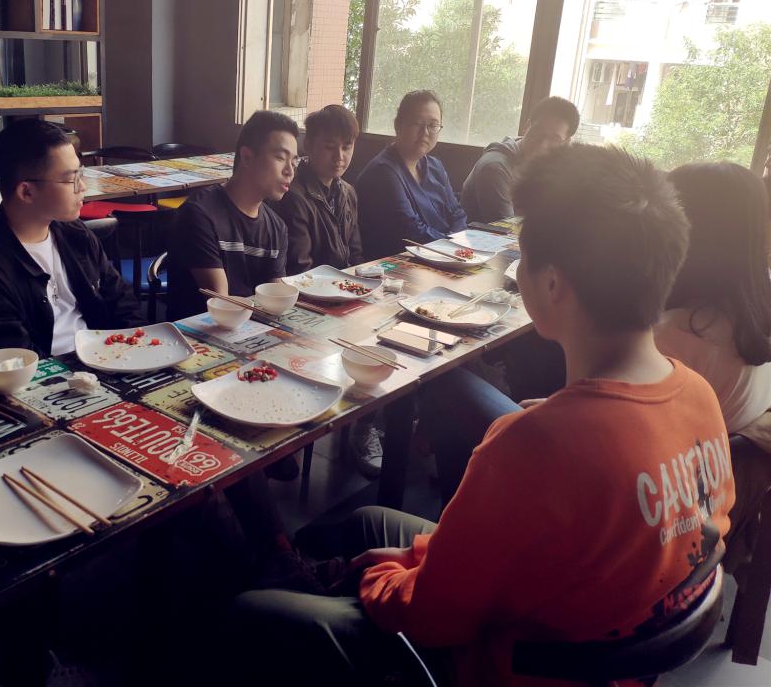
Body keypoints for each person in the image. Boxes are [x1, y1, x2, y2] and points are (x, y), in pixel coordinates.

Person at [231, 144, 734, 686]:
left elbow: (429, 617)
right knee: (364, 523)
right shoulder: (698, 395)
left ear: (552, 285)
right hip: (601, 636)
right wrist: (419, 561)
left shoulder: (532, 446)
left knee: (247, 612)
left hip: (496, 666)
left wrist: (384, 576)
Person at [0, 119, 141, 378]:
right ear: (27, 192)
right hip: (44, 383)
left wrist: (138, 353)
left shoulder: (76, 235)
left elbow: (122, 304)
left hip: (104, 364)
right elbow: (14, 363)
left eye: (81, 174)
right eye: (71, 179)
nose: (82, 187)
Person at [654, 162, 771, 573]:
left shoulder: (677, 334)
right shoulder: (754, 307)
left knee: (474, 390)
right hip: (721, 492)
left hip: (663, 508)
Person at [165, 111, 297, 321]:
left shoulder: (277, 227)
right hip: (201, 333)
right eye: (281, 158)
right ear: (247, 157)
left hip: (251, 329)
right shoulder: (199, 214)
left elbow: (275, 301)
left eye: (294, 162)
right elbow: (222, 304)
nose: (290, 171)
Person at [354, 90, 466, 260]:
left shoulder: (435, 166)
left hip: (443, 256)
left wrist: (459, 243)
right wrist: (453, 246)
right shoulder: (383, 172)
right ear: (398, 125)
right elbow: (411, 231)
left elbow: (457, 213)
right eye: (417, 123)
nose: (425, 132)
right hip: (395, 263)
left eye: (433, 125)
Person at [460, 95, 580, 224]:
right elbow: (504, 229)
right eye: (538, 131)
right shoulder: (495, 168)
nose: (542, 144)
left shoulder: (553, 166)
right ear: (526, 126)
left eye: (555, 138)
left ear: (566, 142)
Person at [272, 105, 362, 275]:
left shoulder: (348, 192)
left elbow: (356, 256)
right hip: (311, 286)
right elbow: (300, 268)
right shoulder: (292, 195)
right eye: (330, 147)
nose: (339, 157)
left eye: (346, 147)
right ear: (308, 145)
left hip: (344, 284)